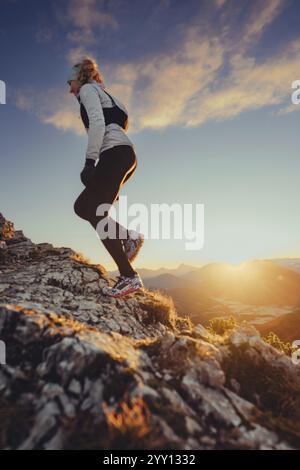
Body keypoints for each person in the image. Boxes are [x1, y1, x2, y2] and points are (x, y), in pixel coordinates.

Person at [68, 57, 144, 297]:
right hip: (126, 155)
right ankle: (128, 237)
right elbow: (119, 124)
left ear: (78, 78)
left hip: (113, 154)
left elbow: (99, 124)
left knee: (93, 210)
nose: (68, 87)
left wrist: (90, 162)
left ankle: (129, 276)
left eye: (69, 81)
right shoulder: (111, 97)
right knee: (84, 207)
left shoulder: (88, 91)